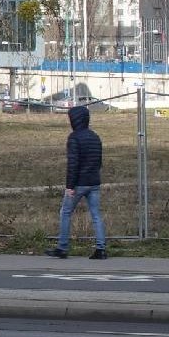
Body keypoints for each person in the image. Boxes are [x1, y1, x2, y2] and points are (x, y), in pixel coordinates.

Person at [46, 105, 106, 260]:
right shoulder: (95, 136)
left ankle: (62, 247)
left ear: (74, 120)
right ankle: (101, 249)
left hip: (79, 182)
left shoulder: (74, 138)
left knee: (65, 212)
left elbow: (73, 163)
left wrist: (70, 186)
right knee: (96, 215)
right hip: (94, 181)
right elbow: (99, 161)